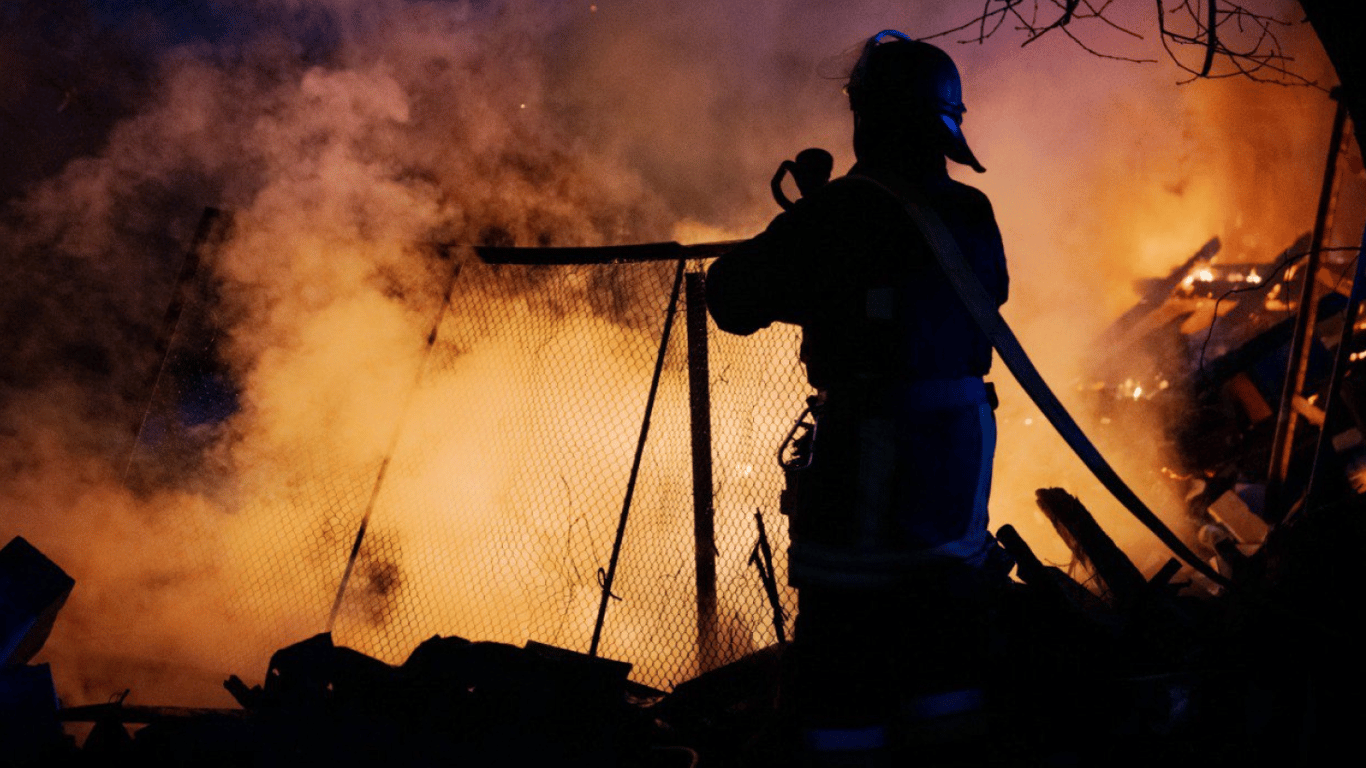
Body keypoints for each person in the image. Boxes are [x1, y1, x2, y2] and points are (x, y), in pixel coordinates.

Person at [706, 31, 1010, 766]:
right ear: (945, 125)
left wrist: (812, 238)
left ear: (865, 117)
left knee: (842, 681)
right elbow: (968, 301)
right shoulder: (972, 214)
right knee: (943, 669)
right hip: (956, 478)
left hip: (866, 480)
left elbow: (732, 298)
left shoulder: (839, 215)